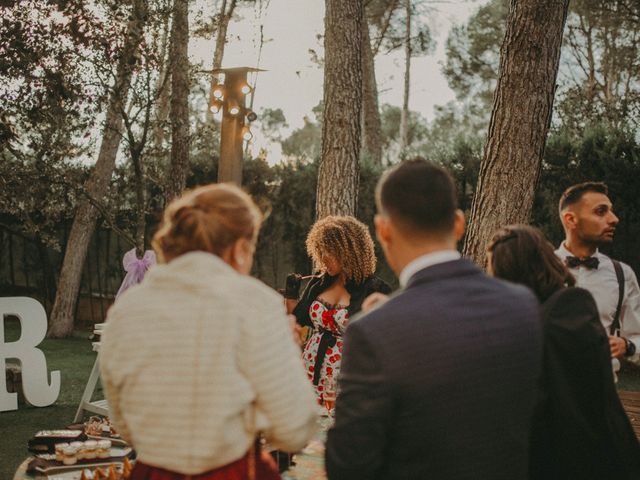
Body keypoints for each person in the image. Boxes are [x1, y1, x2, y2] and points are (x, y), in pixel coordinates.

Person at [325, 159, 542, 480]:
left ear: (383, 229)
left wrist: (384, 322)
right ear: (458, 223)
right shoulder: (523, 305)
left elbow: (348, 466)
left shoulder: (372, 332)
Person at [100, 183, 317, 479]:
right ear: (241, 248)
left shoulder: (127, 309)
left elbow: (124, 424)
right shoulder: (255, 302)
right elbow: (294, 428)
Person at [487, 224, 640, 480]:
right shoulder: (526, 317)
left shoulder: (570, 305)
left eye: (494, 268)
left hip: (585, 457)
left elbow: (570, 397)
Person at [286, 215, 391, 403]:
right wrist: (291, 294)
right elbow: (297, 319)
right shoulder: (319, 282)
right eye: (320, 251)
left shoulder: (374, 289)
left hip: (347, 376)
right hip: (308, 370)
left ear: (349, 251)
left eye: (329, 251)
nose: (323, 258)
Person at [555, 182, 640, 365]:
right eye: (601, 211)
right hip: (546, 390)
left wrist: (628, 345)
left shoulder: (622, 274)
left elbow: (638, 336)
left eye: (611, 211)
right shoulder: (539, 268)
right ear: (570, 219)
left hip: (601, 388)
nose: (614, 219)